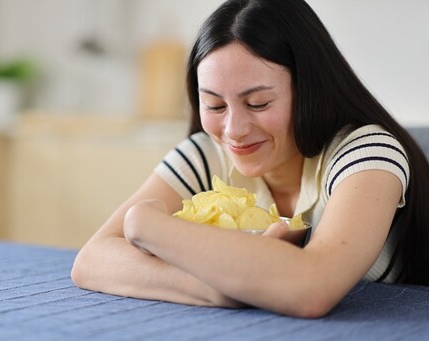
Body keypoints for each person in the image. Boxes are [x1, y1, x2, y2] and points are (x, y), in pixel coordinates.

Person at [71, 0, 429, 317]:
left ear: (309, 91)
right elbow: (92, 260)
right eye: (214, 105)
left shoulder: (366, 151)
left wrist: (145, 225)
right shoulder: (207, 154)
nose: (234, 129)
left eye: (258, 103)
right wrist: (222, 287)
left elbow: (311, 288)